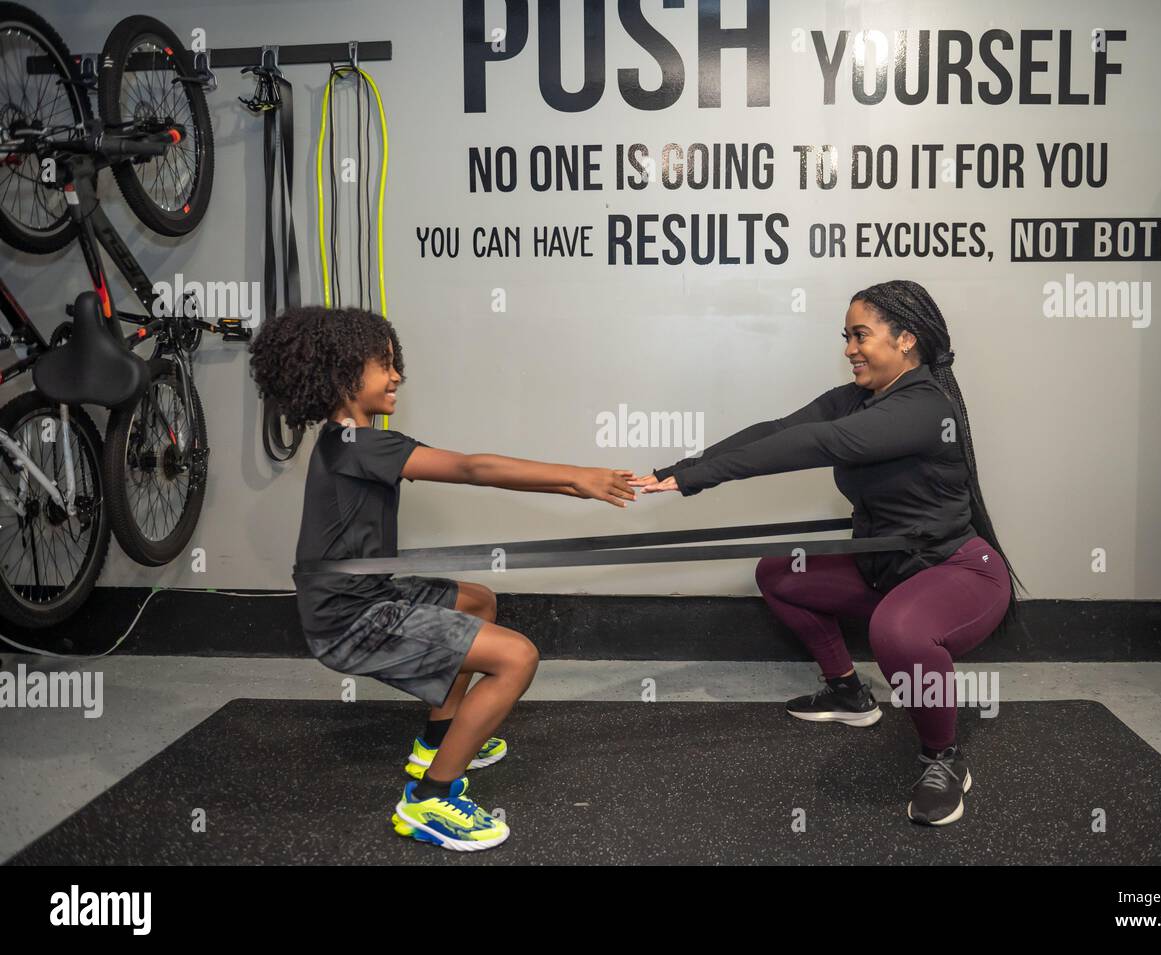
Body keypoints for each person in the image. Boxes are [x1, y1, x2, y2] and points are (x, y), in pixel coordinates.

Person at [633, 279, 1024, 826]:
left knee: (898, 631)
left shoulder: (921, 407)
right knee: (781, 574)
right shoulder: (861, 398)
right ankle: (847, 693)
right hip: (887, 566)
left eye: (860, 335)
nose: (849, 349)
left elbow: (819, 445)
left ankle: (943, 758)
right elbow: (781, 429)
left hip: (958, 574)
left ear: (906, 339)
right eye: (846, 336)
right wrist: (681, 469)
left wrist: (701, 479)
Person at [249, 306, 635, 851]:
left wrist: (577, 488)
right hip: (348, 618)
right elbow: (475, 469)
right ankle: (431, 797)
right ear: (341, 375)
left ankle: (437, 741)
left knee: (476, 600)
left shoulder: (348, 443)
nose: (397, 374)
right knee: (517, 658)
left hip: (361, 594)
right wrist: (576, 475)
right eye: (383, 363)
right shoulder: (359, 446)